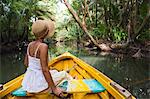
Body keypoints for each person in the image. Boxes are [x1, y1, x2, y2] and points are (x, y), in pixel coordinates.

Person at [22, 19, 65, 98]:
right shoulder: (43, 46)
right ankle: (53, 88)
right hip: (39, 85)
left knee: (54, 71)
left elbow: (26, 63)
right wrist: (54, 89)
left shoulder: (30, 45)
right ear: (46, 33)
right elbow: (44, 70)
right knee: (64, 74)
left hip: (28, 82)